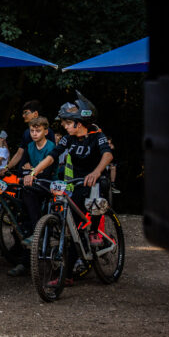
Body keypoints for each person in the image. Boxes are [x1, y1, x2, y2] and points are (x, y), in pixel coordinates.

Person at [32, 96, 112, 245]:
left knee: (96, 198)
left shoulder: (97, 135)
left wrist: (96, 172)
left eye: (68, 123)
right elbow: (52, 156)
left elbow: (108, 155)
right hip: (79, 182)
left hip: (96, 180)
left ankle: (95, 231)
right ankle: (76, 251)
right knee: (72, 222)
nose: (64, 126)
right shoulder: (68, 138)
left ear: (79, 124)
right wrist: (34, 172)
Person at [9, 118, 56, 276]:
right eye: (32, 131)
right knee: (21, 205)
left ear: (46, 132)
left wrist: (31, 170)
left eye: (38, 131)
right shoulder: (29, 146)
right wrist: (32, 171)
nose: (34, 134)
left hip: (47, 186)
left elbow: (47, 172)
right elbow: (21, 169)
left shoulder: (51, 147)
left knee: (28, 194)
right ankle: (25, 253)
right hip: (31, 184)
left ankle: (37, 231)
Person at [6, 100, 56, 171]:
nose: (23, 116)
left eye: (26, 112)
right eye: (32, 131)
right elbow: (19, 153)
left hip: (43, 172)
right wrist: (7, 168)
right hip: (26, 170)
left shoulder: (47, 133)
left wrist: (34, 169)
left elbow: (52, 156)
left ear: (35, 114)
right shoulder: (26, 133)